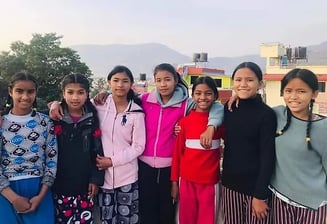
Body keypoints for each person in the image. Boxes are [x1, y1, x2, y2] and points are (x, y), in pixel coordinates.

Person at [50, 63, 224, 224]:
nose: (163, 84)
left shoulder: (184, 103)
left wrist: (211, 126)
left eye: (167, 79)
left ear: (176, 80)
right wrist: (55, 104)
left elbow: (213, 104)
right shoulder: (137, 101)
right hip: (136, 168)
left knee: (165, 212)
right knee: (141, 212)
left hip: (162, 167)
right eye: (159, 80)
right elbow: (79, 103)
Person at [220, 62, 277, 224]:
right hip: (230, 185)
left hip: (255, 189)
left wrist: (260, 194)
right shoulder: (229, 108)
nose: (243, 84)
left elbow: (268, 157)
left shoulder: (267, 115)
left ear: (260, 84)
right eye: (238, 80)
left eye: (249, 80)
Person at [269, 68, 327, 224]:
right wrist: (236, 99)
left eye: (301, 91)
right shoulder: (275, 115)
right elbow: (251, 111)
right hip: (280, 198)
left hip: (314, 203)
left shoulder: (324, 127)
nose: (293, 97)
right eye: (288, 91)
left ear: (314, 94)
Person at [0, 71, 58, 224]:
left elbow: (52, 160)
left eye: (30, 91)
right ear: (10, 91)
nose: (25, 97)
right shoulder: (1, 123)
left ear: (35, 93)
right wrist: (13, 198)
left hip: (39, 190)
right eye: (19, 91)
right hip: (6, 191)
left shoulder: (45, 122)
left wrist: (41, 195)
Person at [94, 65, 145, 223]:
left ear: (131, 84)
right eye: (115, 80)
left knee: (127, 219)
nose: (120, 85)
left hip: (127, 177)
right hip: (104, 177)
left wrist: (112, 161)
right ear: (109, 82)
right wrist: (55, 105)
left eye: (125, 81)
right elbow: (74, 105)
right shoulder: (98, 105)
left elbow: (138, 146)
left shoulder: (136, 112)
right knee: (106, 219)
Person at [170, 76, 224, 224]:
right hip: (186, 182)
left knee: (208, 220)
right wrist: (174, 183)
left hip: (210, 183)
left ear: (215, 95)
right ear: (193, 96)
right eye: (198, 93)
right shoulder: (184, 122)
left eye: (208, 93)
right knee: (185, 219)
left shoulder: (219, 123)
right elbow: (177, 155)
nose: (203, 97)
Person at [51, 73, 104, 224]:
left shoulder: (92, 118)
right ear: (63, 93)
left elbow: (97, 150)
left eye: (80, 92)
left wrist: (95, 179)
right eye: (70, 92)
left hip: (85, 185)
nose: (75, 97)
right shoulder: (54, 119)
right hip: (60, 185)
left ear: (87, 94)